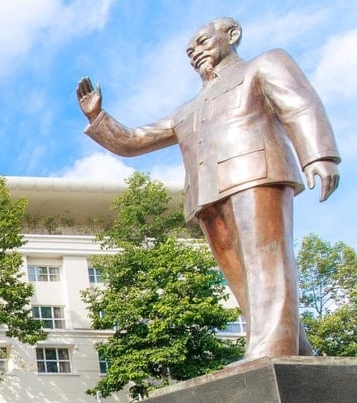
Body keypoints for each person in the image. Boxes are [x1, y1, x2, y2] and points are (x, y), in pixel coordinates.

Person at [76, 17, 340, 359]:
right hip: (208, 195)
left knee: (267, 263)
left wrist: (319, 155)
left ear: (232, 35)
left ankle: (272, 347)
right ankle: (295, 349)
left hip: (256, 173)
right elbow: (134, 140)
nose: (194, 53)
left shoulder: (263, 65)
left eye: (201, 42)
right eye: (189, 51)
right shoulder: (188, 109)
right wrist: (98, 117)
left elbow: (300, 104)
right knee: (242, 278)